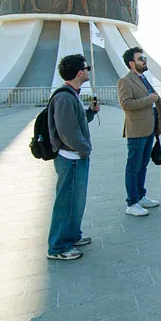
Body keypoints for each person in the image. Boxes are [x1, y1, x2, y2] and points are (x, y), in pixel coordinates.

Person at [46, 54, 99, 260]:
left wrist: (90, 112)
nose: (88, 71)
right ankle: (58, 247)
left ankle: (72, 235)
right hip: (71, 158)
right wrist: (84, 149)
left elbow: (77, 121)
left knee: (76, 201)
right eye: (87, 69)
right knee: (67, 202)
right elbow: (68, 131)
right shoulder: (65, 97)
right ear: (79, 73)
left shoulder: (72, 94)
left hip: (76, 157)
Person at [117, 47, 161, 217]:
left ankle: (140, 196)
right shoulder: (125, 81)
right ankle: (132, 202)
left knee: (143, 165)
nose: (144, 61)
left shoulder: (143, 78)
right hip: (137, 130)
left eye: (144, 58)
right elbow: (126, 104)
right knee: (133, 166)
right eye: (140, 59)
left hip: (149, 129)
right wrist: (148, 99)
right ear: (132, 63)